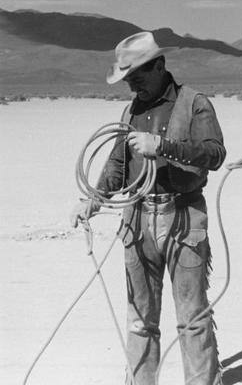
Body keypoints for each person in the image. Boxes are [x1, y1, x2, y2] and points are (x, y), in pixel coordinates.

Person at [70, 31, 226, 385]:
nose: (131, 85)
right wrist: (94, 199)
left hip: (184, 216)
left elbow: (215, 154)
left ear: (159, 66)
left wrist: (164, 146)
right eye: (127, 79)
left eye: (137, 76)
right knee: (140, 318)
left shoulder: (194, 103)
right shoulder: (131, 110)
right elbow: (117, 164)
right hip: (138, 217)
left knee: (192, 317)